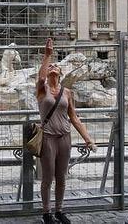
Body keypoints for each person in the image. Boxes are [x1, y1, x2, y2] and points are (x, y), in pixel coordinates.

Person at [36, 38, 96, 224]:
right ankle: (46, 213)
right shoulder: (42, 90)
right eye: (50, 66)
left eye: (56, 66)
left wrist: (88, 139)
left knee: (61, 176)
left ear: (61, 73)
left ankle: (59, 210)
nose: (53, 67)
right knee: (47, 178)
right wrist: (47, 55)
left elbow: (75, 118)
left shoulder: (67, 92)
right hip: (47, 138)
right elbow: (40, 77)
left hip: (64, 137)